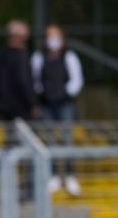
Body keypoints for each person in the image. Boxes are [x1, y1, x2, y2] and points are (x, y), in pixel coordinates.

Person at [32, 25, 85, 195]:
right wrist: (44, 93)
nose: (53, 41)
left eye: (56, 36)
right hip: (46, 103)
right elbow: (35, 79)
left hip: (65, 103)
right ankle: (53, 175)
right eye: (50, 37)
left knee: (67, 138)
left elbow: (77, 80)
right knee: (49, 139)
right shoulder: (38, 56)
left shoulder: (69, 56)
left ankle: (70, 176)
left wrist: (64, 93)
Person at [0, 19, 39, 127]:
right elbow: (24, 81)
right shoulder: (21, 56)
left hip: (4, 106)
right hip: (21, 107)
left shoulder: (1, 55)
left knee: (11, 138)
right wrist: (32, 103)